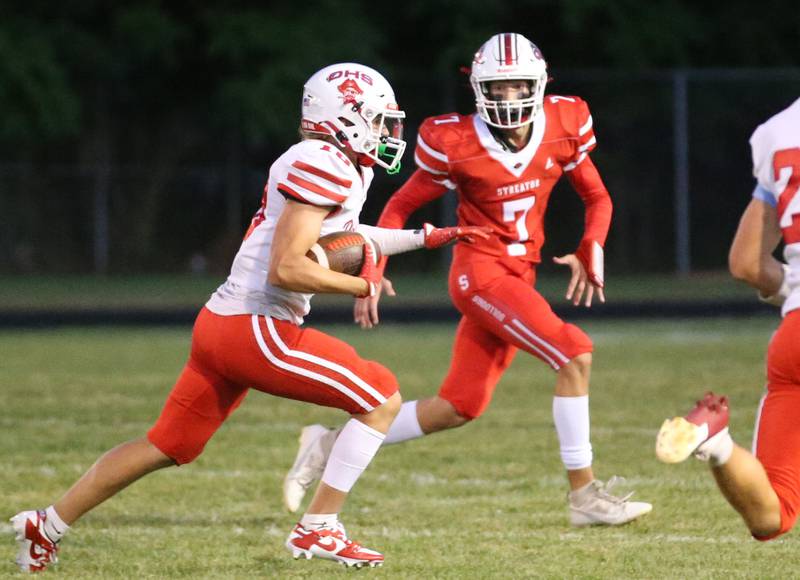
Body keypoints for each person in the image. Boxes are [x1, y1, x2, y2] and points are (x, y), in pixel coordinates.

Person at [10, 62, 490, 572]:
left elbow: (347, 237)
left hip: (222, 322)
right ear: (343, 117)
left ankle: (48, 524)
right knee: (380, 396)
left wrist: (424, 238)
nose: (385, 131)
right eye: (376, 119)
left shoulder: (343, 165)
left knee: (166, 445)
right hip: (256, 325)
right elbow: (288, 269)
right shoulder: (323, 162)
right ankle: (319, 527)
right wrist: (360, 283)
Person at [282, 33, 652, 526]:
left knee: (459, 406)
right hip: (479, 273)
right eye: (496, 89)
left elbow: (597, 197)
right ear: (478, 90)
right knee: (574, 351)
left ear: (539, 85)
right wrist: (376, 265)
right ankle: (584, 496)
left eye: (518, 86)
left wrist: (593, 243)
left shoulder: (565, 123)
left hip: (520, 272)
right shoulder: (454, 142)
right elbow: (400, 206)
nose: (508, 98)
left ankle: (326, 443)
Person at [656, 97, 800, 540]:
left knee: (772, 515)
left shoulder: (778, 131)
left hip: (795, 335)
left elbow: (746, 263)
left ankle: (715, 442)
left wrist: (791, 292)